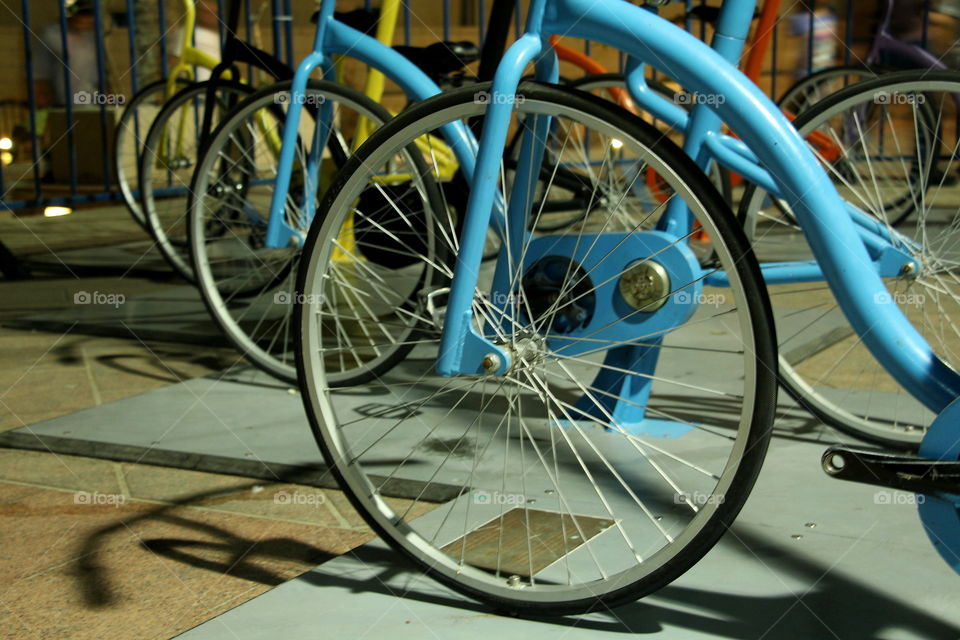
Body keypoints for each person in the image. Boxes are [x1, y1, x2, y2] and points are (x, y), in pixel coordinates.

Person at [32, 0, 100, 108]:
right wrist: (41, 94)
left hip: (91, 102)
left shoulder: (92, 37)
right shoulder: (52, 35)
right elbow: (39, 71)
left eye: (89, 15)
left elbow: (99, 72)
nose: (85, 19)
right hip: (61, 103)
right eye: (82, 14)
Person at [169, 0, 221, 81]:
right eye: (206, 12)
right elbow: (175, 60)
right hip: (194, 85)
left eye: (213, 13)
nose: (210, 16)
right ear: (199, 13)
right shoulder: (186, 32)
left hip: (218, 86)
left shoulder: (218, 37)